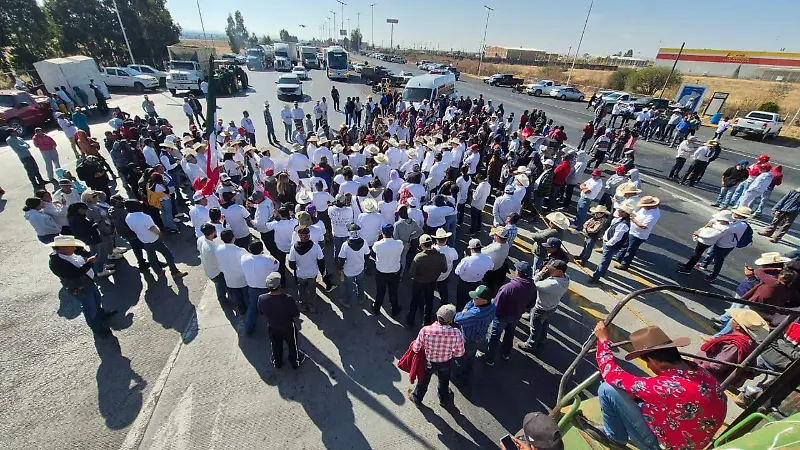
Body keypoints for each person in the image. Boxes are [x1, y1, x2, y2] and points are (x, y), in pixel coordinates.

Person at [581, 323, 726, 450]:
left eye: (648, 363)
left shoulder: (665, 387)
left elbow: (612, 374)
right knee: (631, 393)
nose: (649, 367)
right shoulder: (699, 372)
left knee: (607, 389)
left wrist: (603, 341)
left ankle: (614, 438)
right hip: (694, 439)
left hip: (666, 445)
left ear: (653, 360)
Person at [48, 235, 115, 335]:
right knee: (90, 308)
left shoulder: (68, 255)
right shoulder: (56, 262)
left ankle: (101, 315)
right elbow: (75, 274)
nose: (74, 248)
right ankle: (97, 329)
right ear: (62, 248)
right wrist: (89, 263)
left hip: (89, 282)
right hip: (81, 288)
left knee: (97, 300)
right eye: (72, 246)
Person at [407, 304, 465, 407]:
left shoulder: (426, 330)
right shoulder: (457, 334)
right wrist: (450, 354)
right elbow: (460, 353)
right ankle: (443, 399)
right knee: (443, 382)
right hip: (446, 363)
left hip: (429, 362)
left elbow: (416, 348)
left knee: (423, 381)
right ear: (450, 321)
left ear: (437, 315)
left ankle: (417, 398)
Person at [697, 308, 768, 385]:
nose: (732, 320)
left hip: (706, 376)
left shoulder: (735, 345)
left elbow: (717, 366)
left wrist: (702, 362)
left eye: (734, 319)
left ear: (737, 326)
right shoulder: (749, 341)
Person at [485, 261, 536, 366]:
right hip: (516, 316)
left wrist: (494, 315)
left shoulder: (508, 287)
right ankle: (506, 353)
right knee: (510, 334)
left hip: (501, 316)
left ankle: (489, 359)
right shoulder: (532, 287)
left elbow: (497, 305)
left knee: (494, 336)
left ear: (518, 272)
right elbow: (531, 304)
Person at [124, 200, 188, 279]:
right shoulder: (144, 217)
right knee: (168, 254)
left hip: (143, 239)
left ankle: (158, 272)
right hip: (153, 239)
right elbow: (152, 228)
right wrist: (160, 233)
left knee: (151, 257)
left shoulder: (128, 217)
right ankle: (174, 271)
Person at [518, 260, 570, 354]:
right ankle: (542, 339)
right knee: (545, 323)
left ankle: (531, 344)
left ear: (560, 272)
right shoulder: (566, 278)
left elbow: (532, 283)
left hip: (540, 308)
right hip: (552, 306)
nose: (549, 270)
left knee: (534, 327)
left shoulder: (552, 284)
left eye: (552, 269)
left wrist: (541, 273)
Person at [257, 273, 305, 369]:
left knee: (275, 344)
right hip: (288, 326)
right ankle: (295, 362)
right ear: (279, 286)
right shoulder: (288, 298)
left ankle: (277, 362)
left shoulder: (261, 298)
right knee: (292, 345)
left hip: (272, 326)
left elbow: (260, 312)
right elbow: (296, 314)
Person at [452, 285, 496, 384]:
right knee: (471, 357)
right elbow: (471, 302)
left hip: (469, 339)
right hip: (481, 335)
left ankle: (458, 377)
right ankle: (468, 372)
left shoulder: (475, 314)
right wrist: (468, 306)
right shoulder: (492, 304)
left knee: (461, 358)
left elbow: (457, 319)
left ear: (484, 300)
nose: (473, 299)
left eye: (476, 298)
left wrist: (464, 311)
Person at [406, 234, 448, 328]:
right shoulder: (441, 256)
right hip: (432, 282)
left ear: (421, 245)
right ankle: (426, 321)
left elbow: (411, 273)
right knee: (429, 301)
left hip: (419, 282)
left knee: (415, 300)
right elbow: (444, 270)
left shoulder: (419, 257)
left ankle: (410, 320)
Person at [588, 204, 633, 283]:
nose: (618, 211)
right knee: (605, 260)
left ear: (625, 213)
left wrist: (608, 243)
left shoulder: (623, 224)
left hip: (611, 245)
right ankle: (601, 273)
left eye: (620, 211)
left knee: (604, 261)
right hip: (608, 242)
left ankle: (596, 276)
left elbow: (617, 238)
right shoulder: (620, 219)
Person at [614, 196, 661, 271]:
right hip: (632, 230)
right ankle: (618, 258)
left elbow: (643, 226)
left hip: (638, 235)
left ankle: (624, 265)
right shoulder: (645, 209)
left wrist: (632, 219)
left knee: (631, 249)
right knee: (625, 245)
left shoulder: (653, 214)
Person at [288, 227, 325, 313]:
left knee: (301, 290)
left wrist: (297, 268)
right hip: (312, 274)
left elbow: (291, 264)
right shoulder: (316, 247)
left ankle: (302, 305)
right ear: (309, 235)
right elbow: (321, 261)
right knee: (312, 290)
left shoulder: (293, 248)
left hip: (301, 274)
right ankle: (312, 307)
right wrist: (322, 272)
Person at [215, 229, 249, 316]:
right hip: (242, 278)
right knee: (246, 295)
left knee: (236, 296)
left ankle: (242, 310)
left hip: (229, 278)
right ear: (233, 238)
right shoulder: (240, 251)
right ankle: (250, 309)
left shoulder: (218, 249)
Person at [372, 224, 404, 316]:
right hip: (394, 272)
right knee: (393, 292)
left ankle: (376, 308)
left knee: (380, 292)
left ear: (382, 233)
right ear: (392, 233)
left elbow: (374, 252)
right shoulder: (399, 243)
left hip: (381, 272)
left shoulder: (378, 244)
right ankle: (395, 309)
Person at [337, 223, 370, 308]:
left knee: (348, 286)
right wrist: (365, 264)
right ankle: (361, 299)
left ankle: (346, 301)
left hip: (348, 271)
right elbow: (367, 255)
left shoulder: (345, 245)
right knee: (360, 284)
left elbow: (341, 258)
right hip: (360, 268)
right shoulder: (364, 242)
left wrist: (340, 268)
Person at [197, 223, 227, 306]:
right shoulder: (212, 249)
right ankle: (223, 300)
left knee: (219, 284)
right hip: (216, 272)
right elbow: (218, 264)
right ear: (212, 233)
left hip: (208, 269)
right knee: (220, 286)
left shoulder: (200, 239)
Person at [433, 228, 458, 307]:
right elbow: (456, 258)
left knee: (429, 291)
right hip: (445, 275)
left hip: (433, 275)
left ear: (436, 239)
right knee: (444, 290)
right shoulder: (452, 250)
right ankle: (444, 305)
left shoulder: (432, 250)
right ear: (446, 239)